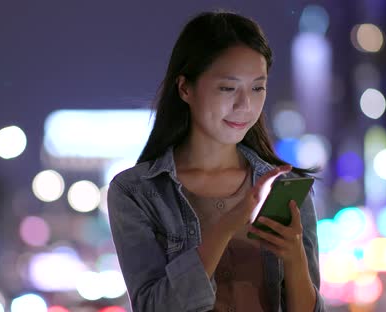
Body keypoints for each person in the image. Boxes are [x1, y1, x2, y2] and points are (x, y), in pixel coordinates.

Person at [107, 10, 325, 312]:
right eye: (228, 88)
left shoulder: (284, 188)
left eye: (257, 87)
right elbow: (153, 307)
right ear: (185, 88)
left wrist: (294, 258)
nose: (245, 105)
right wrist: (225, 227)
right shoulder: (137, 192)